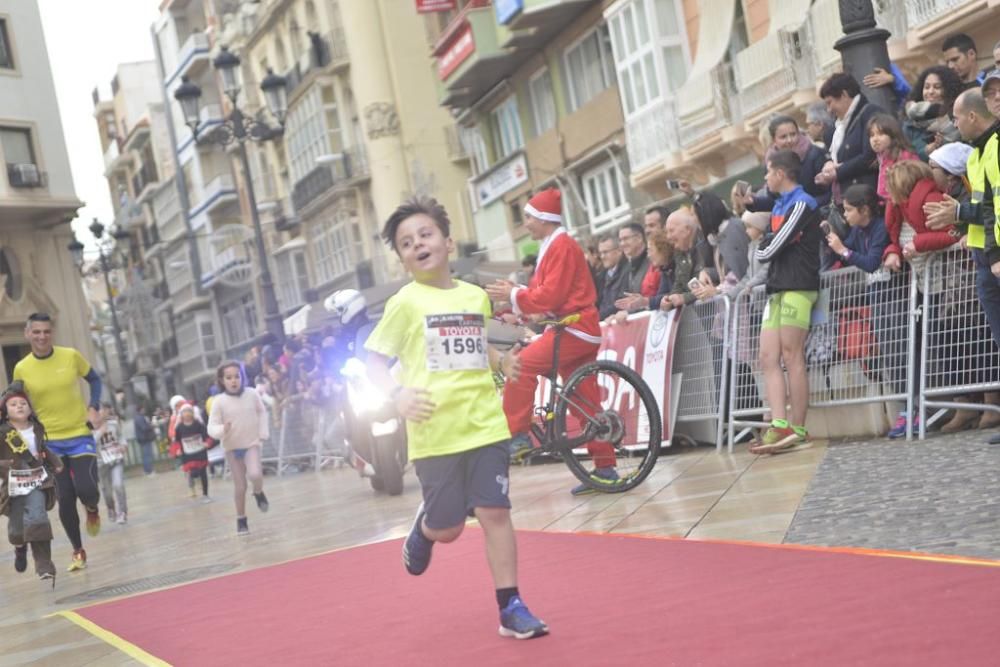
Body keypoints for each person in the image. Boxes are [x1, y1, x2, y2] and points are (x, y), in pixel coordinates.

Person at [367, 194, 548, 639]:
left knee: (495, 513)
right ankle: (426, 528)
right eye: (407, 243)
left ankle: (511, 606)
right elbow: (373, 362)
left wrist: (499, 362)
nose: (418, 244)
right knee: (449, 528)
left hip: (485, 424)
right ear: (404, 260)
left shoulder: (472, 296)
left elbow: (471, 345)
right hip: (436, 432)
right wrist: (397, 395)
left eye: (425, 234)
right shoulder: (405, 304)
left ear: (448, 243)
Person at [485, 189, 613, 496]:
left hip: (574, 329)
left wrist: (515, 295)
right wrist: (515, 296)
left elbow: (550, 296)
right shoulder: (554, 245)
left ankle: (518, 435)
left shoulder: (561, 246)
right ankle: (606, 468)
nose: (525, 223)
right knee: (585, 401)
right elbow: (546, 295)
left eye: (528, 216)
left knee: (521, 366)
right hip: (573, 326)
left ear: (543, 218)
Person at [925, 84, 1000, 442]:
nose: (954, 125)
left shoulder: (997, 147)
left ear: (972, 116)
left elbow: (994, 209)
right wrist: (957, 214)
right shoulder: (974, 155)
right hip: (983, 257)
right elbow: (983, 208)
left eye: (956, 117)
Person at [13, 313, 103, 572]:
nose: (42, 336)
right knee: (65, 497)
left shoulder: (70, 356)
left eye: (46, 331)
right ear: (28, 334)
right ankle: (78, 550)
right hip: (50, 441)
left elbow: (95, 379)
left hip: (79, 434)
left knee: (87, 489)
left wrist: (93, 407)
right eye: (37, 332)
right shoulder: (21, 368)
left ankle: (93, 507)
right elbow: (16, 401)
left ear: (52, 333)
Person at [750, 151, 823, 454]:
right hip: (777, 287)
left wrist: (769, 244)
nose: (765, 179)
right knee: (767, 356)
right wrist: (769, 243)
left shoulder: (802, 202)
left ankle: (799, 426)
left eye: (768, 172)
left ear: (781, 173)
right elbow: (768, 244)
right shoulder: (779, 204)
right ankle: (779, 424)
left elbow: (767, 250)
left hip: (798, 285)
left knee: (792, 355)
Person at [0, 382, 62, 585]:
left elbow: (43, 449)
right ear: (5, 412)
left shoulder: (36, 428)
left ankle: (44, 564)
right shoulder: (3, 433)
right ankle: (20, 547)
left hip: (36, 483)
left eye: (23, 403)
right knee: (17, 531)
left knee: (38, 518)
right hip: (13, 486)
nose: (19, 406)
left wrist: (56, 463)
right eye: (13, 404)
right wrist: (5, 465)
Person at [207, 361, 270, 535]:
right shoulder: (218, 402)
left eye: (237, 376)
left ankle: (258, 492)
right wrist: (222, 430)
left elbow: (262, 411)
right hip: (232, 448)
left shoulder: (251, 394)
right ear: (222, 380)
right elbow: (211, 427)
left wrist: (263, 432)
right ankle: (241, 519)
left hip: (251, 443)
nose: (234, 381)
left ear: (242, 377)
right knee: (240, 486)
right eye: (229, 378)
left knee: (255, 474)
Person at [816, 72, 886, 198]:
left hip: (867, 198)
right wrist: (829, 163)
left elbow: (870, 157)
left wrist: (837, 172)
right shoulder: (839, 126)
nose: (829, 109)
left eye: (829, 102)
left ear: (844, 95)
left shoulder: (871, 114)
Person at [902, 66, 964, 160]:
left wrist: (943, 144)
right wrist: (925, 151)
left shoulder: (959, 119)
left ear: (949, 91)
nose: (930, 92)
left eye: (937, 87)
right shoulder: (910, 123)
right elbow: (903, 156)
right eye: (926, 87)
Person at [868, 113, 919, 203]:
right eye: (872, 135)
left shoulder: (905, 157)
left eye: (880, 134)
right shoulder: (881, 157)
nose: (875, 139)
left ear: (893, 134)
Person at [94, 403, 128, 525]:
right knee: (107, 491)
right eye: (98, 410)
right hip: (101, 464)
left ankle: (122, 512)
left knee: (118, 485)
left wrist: (123, 445)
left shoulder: (113, 424)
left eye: (103, 410)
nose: (101, 412)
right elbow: (89, 445)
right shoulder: (88, 429)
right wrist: (99, 433)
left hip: (116, 460)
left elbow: (121, 437)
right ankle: (111, 508)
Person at [173, 404, 212, 502]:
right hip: (188, 455)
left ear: (192, 413)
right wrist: (177, 449)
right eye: (184, 412)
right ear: (181, 415)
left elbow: (207, 436)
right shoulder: (179, 428)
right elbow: (176, 441)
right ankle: (193, 481)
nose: (187, 414)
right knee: (194, 473)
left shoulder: (199, 424)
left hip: (200, 452)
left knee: (203, 473)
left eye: (189, 412)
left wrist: (207, 443)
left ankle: (205, 494)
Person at [595, 234, 629, 319]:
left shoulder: (628, 271)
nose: (602, 257)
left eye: (605, 252)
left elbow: (621, 302)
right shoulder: (600, 278)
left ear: (619, 251)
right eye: (600, 253)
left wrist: (598, 317)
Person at [133, 405, 157, 476]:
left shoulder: (137, 418)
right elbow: (144, 428)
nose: (144, 410)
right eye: (143, 409)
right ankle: (149, 470)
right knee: (147, 455)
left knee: (145, 455)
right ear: (141, 409)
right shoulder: (140, 418)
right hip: (145, 438)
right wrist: (151, 426)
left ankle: (146, 470)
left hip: (142, 438)